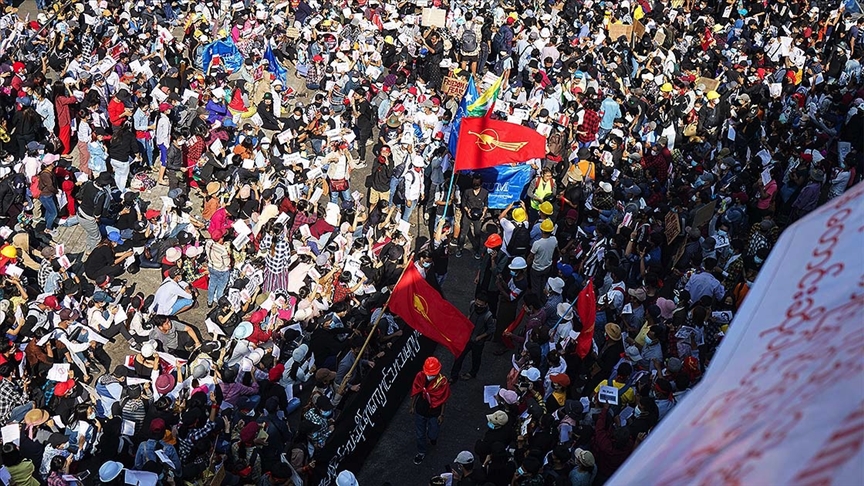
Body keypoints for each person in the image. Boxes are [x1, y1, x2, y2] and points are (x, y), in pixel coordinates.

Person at [410, 357, 451, 464]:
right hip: (421, 409)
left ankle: (432, 437)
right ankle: (421, 452)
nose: (430, 376)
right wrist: (412, 406)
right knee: (420, 434)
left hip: (435, 412)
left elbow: (443, 399)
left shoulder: (442, 382)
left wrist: (442, 415)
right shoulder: (420, 376)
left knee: (433, 433)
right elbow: (415, 390)